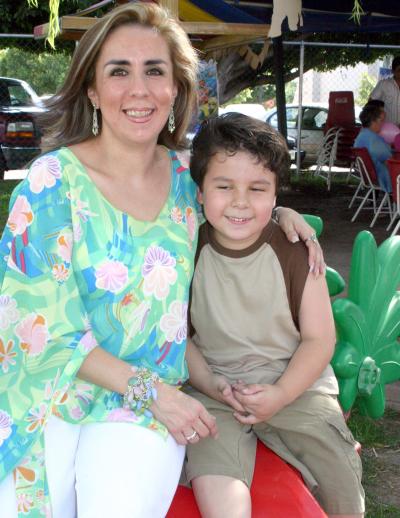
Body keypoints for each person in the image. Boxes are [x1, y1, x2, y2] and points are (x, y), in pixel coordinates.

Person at [0, 3, 324, 518]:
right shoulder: (49, 185)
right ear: (91, 89)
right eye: (118, 71)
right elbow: (42, 332)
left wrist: (283, 212)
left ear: (175, 89)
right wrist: (156, 392)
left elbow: (239, 200)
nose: (139, 89)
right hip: (49, 393)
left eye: (155, 71)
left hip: (142, 409)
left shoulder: (187, 181)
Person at [183, 113, 365, 518]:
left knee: (342, 488)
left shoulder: (295, 250)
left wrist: (281, 394)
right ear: (199, 191)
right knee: (218, 488)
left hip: (297, 387)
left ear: (276, 193)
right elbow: (178, 336)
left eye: (258, 188)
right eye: (224, 186)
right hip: (216, 391)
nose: (240, 201)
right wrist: (212, 385)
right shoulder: (184, 251)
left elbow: (320, 340)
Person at [354, 103, 392, 192]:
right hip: (383, 177)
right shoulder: (374, 139)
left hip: (370, 177)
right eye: (382, 120)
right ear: (374, 121)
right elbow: (389, 161)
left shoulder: (362, 136)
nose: (384, 124)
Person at [369, 56, 400, 126]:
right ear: (393, 71)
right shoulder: (384, 84)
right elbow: (371, 102)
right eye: (399, 70)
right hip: (387, 128)